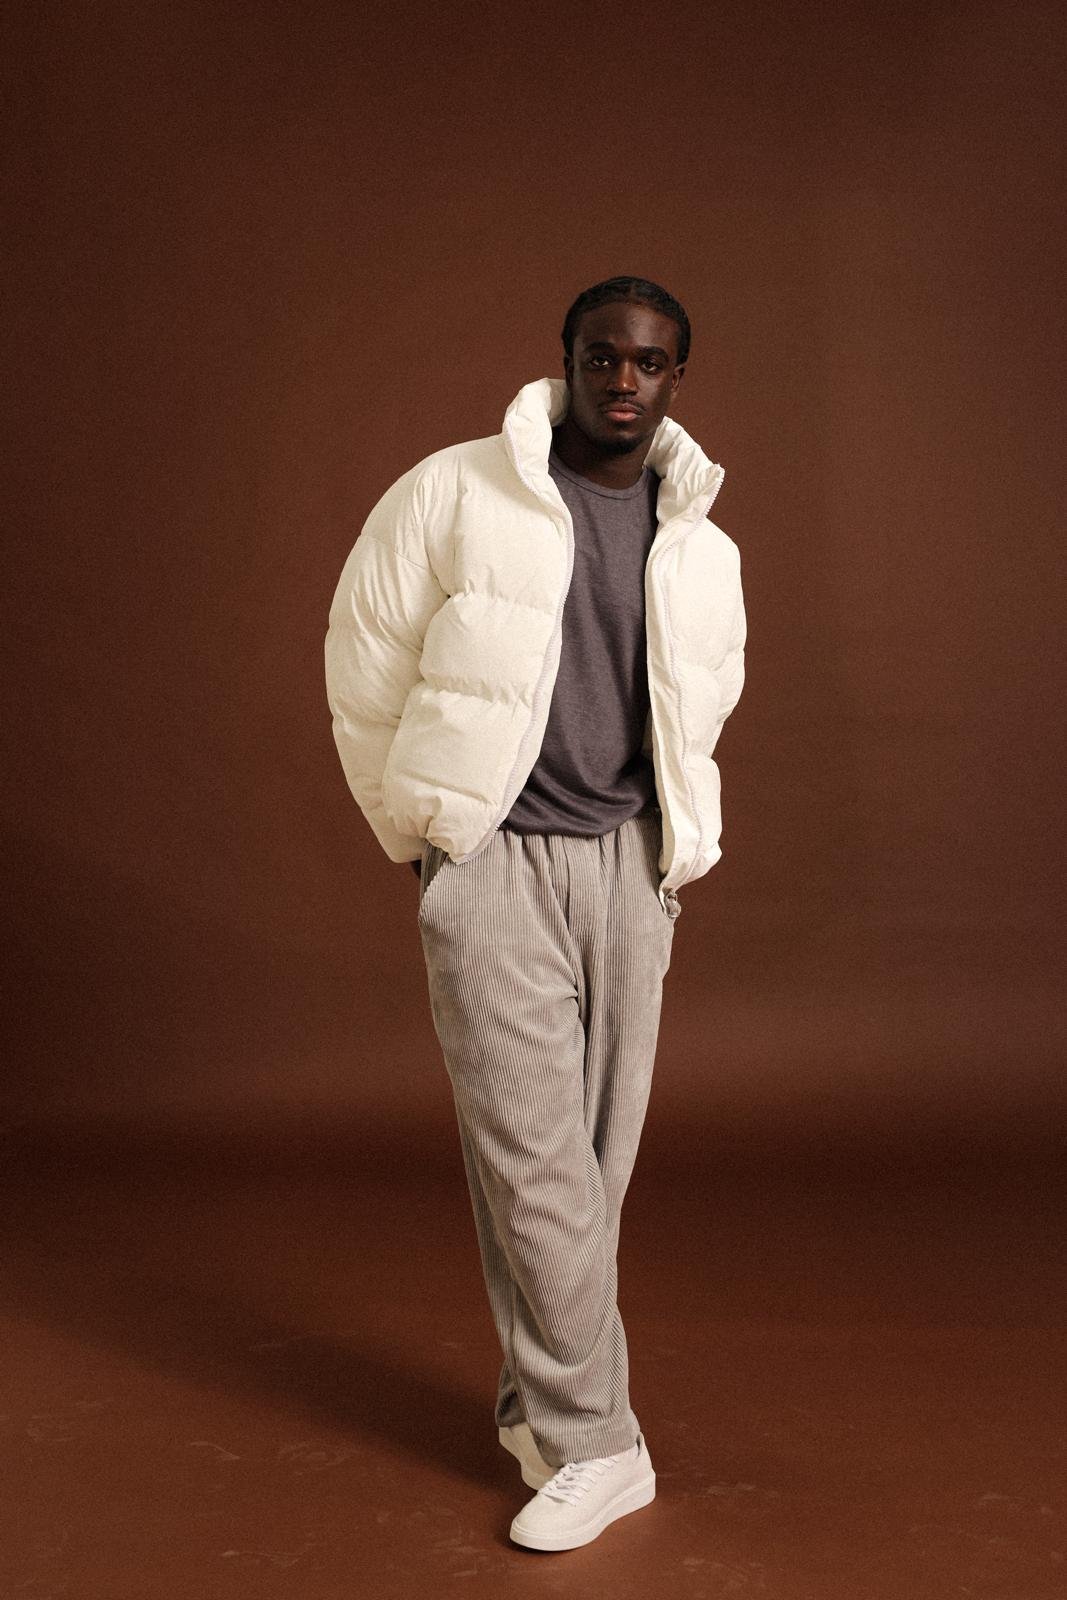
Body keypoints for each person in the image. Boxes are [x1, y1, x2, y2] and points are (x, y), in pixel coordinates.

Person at [324, 275, 746, 1551]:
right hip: (495, 861)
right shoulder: (454, 491)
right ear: (564, 361)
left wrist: (673, 846)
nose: (622, 380)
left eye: (648, 362)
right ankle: (601, 1445)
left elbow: (701, 703)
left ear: (676, 379)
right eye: (600, 356)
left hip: (629, 866)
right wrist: (430, 839)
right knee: (535, 1166)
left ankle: (533, 1402)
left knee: (587, 1169)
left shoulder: (702, 545)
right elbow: (363, 657)